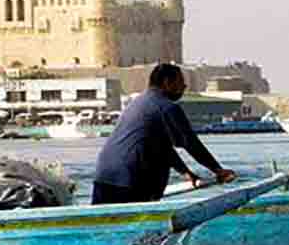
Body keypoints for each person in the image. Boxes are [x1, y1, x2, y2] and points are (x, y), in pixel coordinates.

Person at [92, 63, 237, 204]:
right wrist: (218, 170)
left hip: (104, 176)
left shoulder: (139, 102)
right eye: (181, 82)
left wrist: (185, 171)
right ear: (167, 83)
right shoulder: (167, 107)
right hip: (130, 180)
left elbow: (161, 147)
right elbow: (191, 143)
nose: (184, 87)